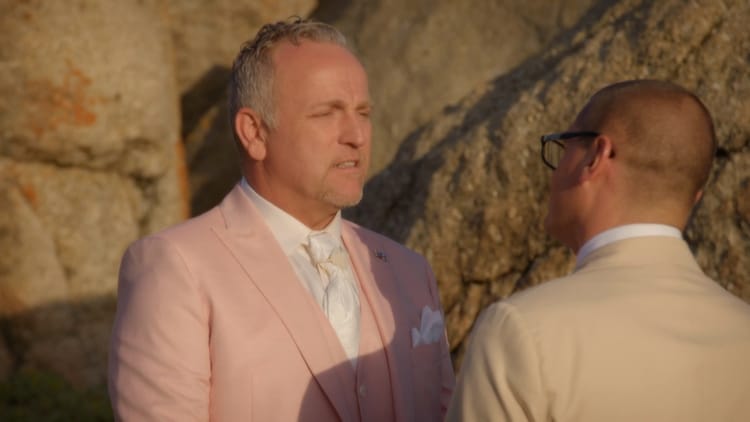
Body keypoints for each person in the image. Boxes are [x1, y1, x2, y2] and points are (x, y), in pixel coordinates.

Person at [108, 18, 454, 421]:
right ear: (254, 133)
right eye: (327, 113)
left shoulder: (411, 271)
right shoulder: (174, 268)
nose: (357, 136)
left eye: (363, 113)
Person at [446, 80, 750, 421]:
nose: (554, 173)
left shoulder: (520, 332)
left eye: (563, 148)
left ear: (595, 156)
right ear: (695, 197)